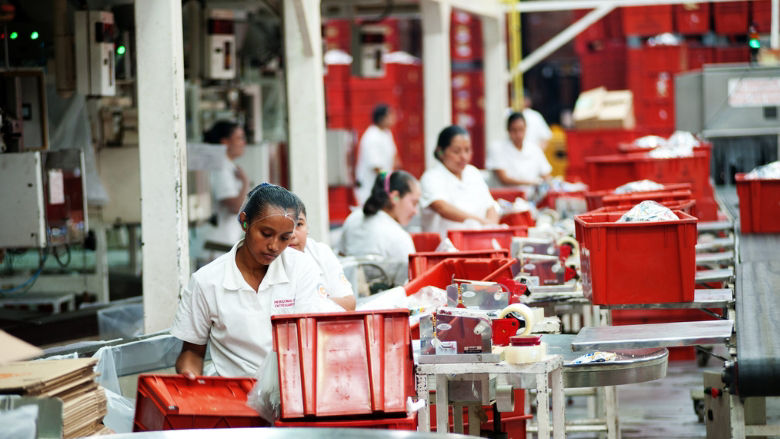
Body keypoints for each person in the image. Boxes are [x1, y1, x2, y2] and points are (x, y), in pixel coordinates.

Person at [172, 183, 344, 378]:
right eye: (266, 234)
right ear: (245, 222)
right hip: (236, 398)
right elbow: (192, 352)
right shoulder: (207, 282)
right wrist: (189, 374)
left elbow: (313, 337)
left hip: (293, 392)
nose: (274, 246)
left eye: (284, 238)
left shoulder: (301, 268)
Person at [420, 125, 499, 236]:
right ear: (441, 152)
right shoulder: (431, 177)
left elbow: (490, 205)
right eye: (456, 151)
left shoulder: (473, 173)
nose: (464, 157)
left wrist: (491, 226)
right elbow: (442, 208)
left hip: (479, 241)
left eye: (467, 150)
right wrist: (480, 222)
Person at [288, 198, 356, 311]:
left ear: (307, 228)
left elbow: (349, 304)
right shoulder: (270, 259)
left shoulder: (321, 251)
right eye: (285, 226)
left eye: (299, 224)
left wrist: (307, 304)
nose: (292, 234)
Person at [339, 170, 419, 265]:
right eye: (414, 203)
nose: (415, 211)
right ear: (395, 197)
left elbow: (341, 256)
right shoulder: (399, 237)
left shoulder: (352, 219)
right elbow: (411, 275)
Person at [200, 121, 250, 254]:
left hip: (225, 242)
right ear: (225, 142)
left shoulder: (228, 165)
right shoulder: (220, 167)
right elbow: (234, 207)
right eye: (239, 138)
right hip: (217, 244)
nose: (243, 143)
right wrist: (245, 182)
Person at [486, 112, 552, 188]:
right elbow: (503, 179)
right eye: (514, 130)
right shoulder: (497, 148)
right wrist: (534, 182)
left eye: (521, 130)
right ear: (508, 130)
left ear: (526, 129)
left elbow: (546, 175)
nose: (518, 135)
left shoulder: (535, 149)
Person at [354, 104, 400, 205]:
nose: (393, 118)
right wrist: (389, 183)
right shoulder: (371, 137)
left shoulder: (387, 133)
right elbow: (376, 167)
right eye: (390, 115)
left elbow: (394, 155)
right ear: (381, 118)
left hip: (383, 185)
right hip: (369, 187)